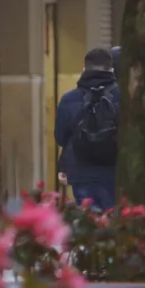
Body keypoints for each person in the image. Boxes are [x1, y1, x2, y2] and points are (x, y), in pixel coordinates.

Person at [56, 47, 119, 211]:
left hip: (80, 172)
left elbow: (60, 138)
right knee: (114, 221)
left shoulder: (69, 99)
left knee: (88, 221)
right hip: (113, 172)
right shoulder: (123, 96)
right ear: (111, 70)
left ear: (84, 69)